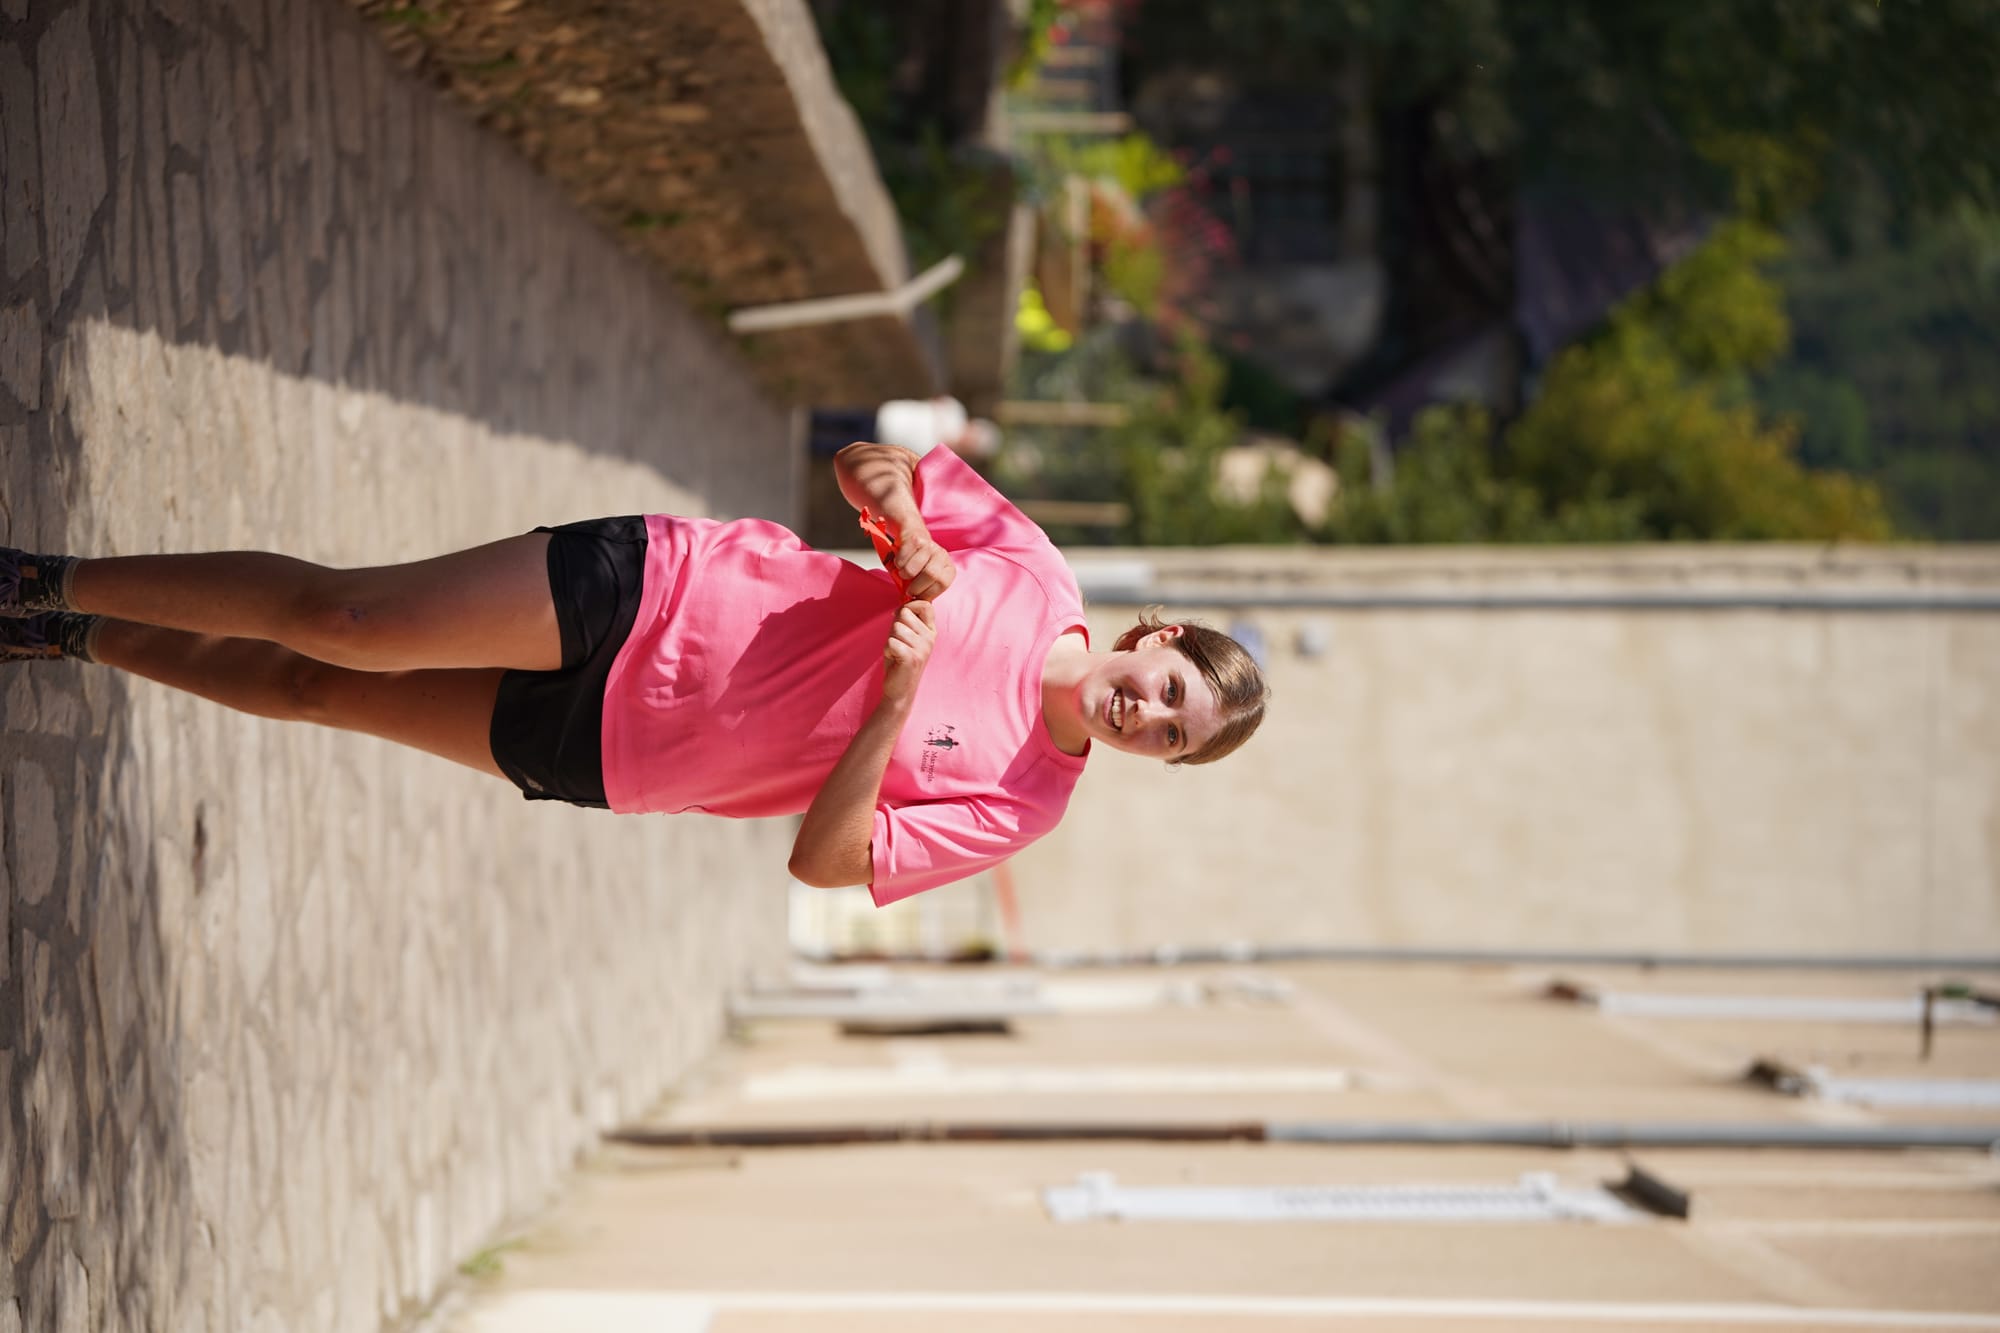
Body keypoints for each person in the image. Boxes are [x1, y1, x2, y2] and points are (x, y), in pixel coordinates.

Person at [1, 444, 1267, 902]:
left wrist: (889, 704)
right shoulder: (1032, 572)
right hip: (664, 593)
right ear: (1154, 640)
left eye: (1169, 736)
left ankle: (72, 636)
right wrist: (916, 534)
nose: (1145, 715)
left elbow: (823, 862)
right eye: (1167, 689)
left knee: (309, 691)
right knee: (345, 617)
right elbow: (865, 466)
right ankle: (51, 579)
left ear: (1156, 760)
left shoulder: (1024, 802)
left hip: (621, 756)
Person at [807, 395, 1001, 462]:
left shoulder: (946, 455)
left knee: (835, 446)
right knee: (838, 418)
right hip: (888, 416)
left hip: (881, 443)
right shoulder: (956, 411)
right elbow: (937, 401)